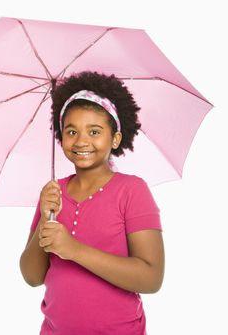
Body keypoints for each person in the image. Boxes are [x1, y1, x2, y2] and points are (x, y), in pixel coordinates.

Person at [20, 71, 165, 335]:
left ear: (115, 138)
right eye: (71, 131)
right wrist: (44, 218)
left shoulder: (131, 191)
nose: (81, 141)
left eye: (94, 131)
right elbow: (32, 276)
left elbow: (151, 277)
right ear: (60, 137)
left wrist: (73, 249)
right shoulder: (53, 194)